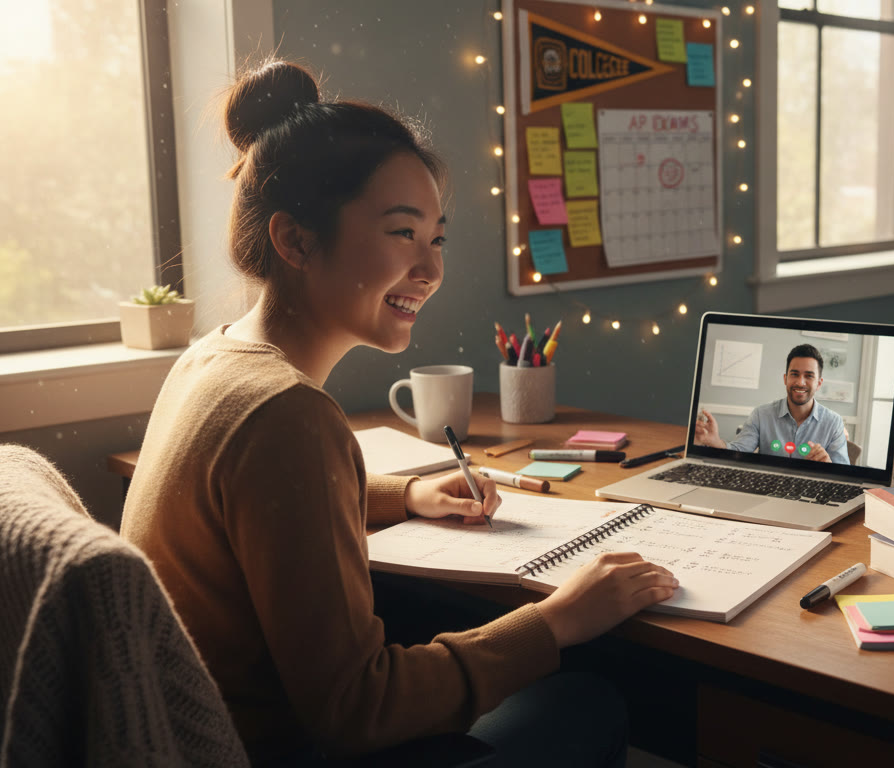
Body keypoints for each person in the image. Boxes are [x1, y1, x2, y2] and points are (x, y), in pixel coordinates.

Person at [120, 59, 677, 766]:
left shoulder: (211, 360)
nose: (432, 269)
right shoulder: (287, 414)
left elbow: (268, 515)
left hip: (206, 736)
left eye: (436, 238)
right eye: (400, 233)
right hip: (275, 752)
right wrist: (555, 620)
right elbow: (357, 709)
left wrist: (407, 493)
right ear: (294, 240)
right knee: (588, 700)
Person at [694, 344, 851, 465]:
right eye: (794, 374)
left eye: (809, 376)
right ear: (785, 379)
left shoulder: (834, 422)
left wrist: (828, 465)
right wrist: (715, 442)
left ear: (819, 383)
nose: (800, 382)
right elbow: (739, 452)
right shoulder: (761, 415)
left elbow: (844, 475)